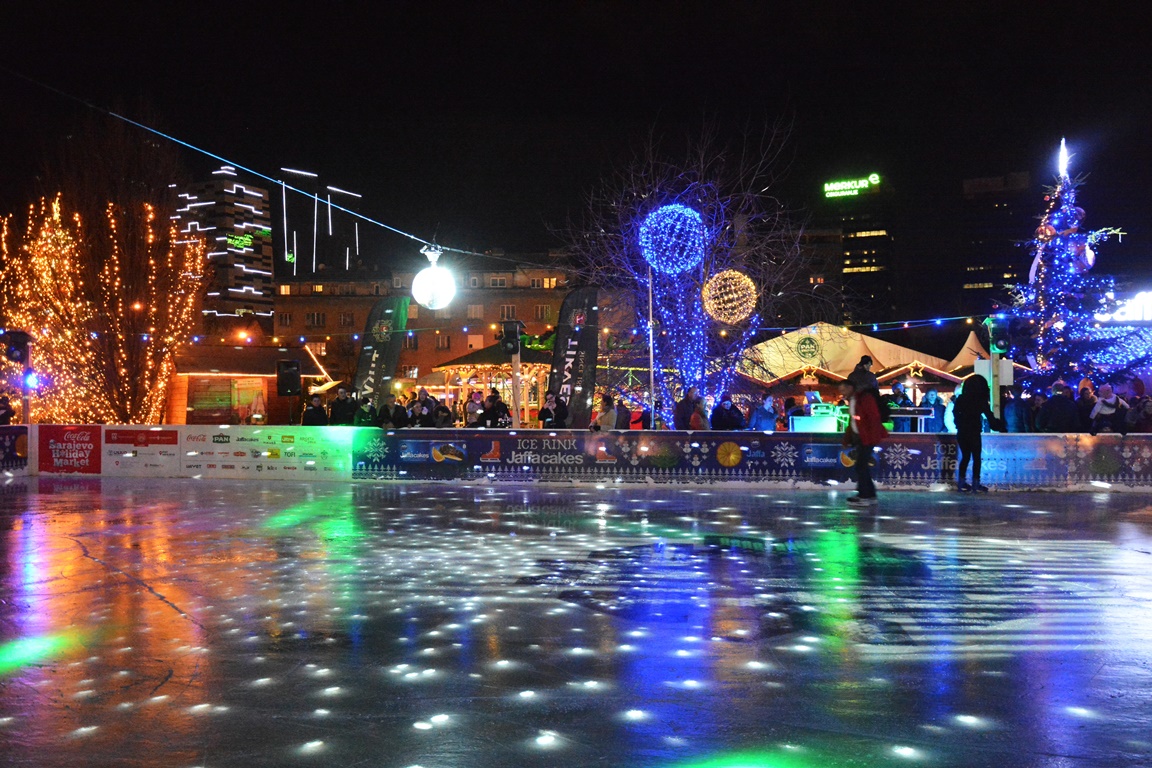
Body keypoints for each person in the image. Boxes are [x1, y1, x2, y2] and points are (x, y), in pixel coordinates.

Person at [839, 377, 887, 506]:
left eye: (843, 390)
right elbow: (853, 421)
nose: (842, 393)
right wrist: (847, 439)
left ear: (850, 388)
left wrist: (868, 437)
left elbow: (873, 418)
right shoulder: (854, 400)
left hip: (868, 438)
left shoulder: (864, 398)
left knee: (861, 466)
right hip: (861, 438)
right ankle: (868, 494)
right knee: (862, 466)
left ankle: (865, 495)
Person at [953, 373, 997, 492]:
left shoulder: (961, 399)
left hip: (962, 432)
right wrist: (998, 425)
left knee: (965, 457)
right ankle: (975, 483)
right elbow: (989, 416)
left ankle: (961, 482)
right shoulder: (980, 400)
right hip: (974, 431)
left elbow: (955, 413)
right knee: (976, 458)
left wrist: (959, 424)